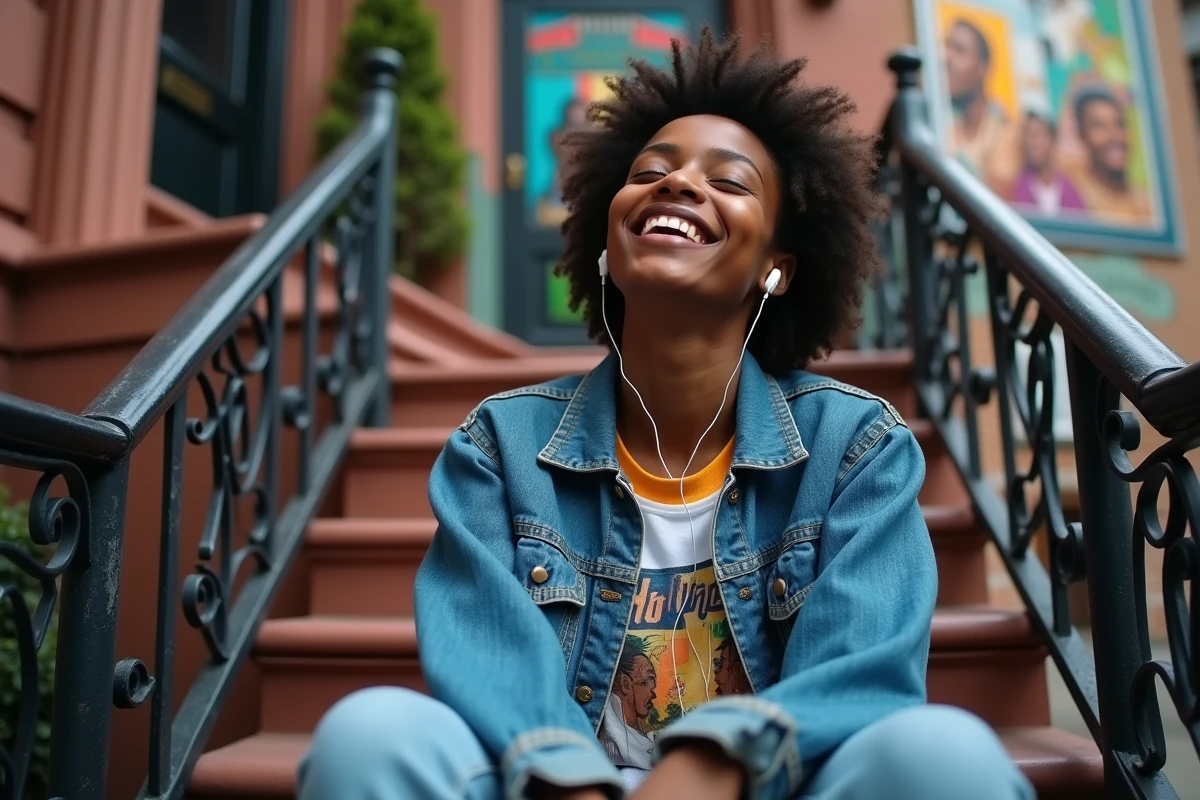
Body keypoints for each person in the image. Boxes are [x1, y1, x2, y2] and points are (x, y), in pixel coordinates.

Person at [297, 29, 1035, 800]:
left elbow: (860, 673)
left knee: (946, 755)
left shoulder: (854, 449)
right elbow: (490, 662)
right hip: (551, 788)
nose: (678, 184)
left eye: (732, 182)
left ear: (777, 268)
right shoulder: (501, 449)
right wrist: (574, 782)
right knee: (370, 732)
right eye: (651, 171)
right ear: (607, 244)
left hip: (765, 786)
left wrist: (708, 765)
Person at [944, 18, 1019, 193]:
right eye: (946, 47)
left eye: (959, 50)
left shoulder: (1006, 130)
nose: (946, 58)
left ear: (982, 68)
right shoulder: (942, 122)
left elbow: (997, 198)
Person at [1069, 84, 1151, 223]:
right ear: (1081, 134)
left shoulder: (1145, 203)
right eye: (1100, 126)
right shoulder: (1072, 188)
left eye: (1120, 124)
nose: (1114, 136)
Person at [1010, 112, 1087, 215]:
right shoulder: (1016, 185)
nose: (1033, 143)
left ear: (1052, 140)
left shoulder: (1068, 185)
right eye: (1028, 136)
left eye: (1038, 135)